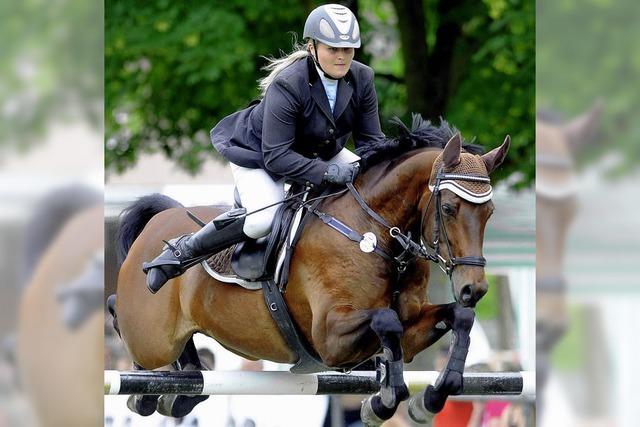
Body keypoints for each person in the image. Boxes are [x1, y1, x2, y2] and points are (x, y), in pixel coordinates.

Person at [143, 4, 385, 293]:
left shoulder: (363, 77)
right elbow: (277, 156)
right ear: (312, 47)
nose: (342, 56)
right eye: (333, 48)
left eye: (348, 49)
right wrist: (328, 172)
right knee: (262, 221)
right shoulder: (289, 84)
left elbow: (372, 143)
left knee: (374, 186)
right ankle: (182, 251)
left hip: (318, 150)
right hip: (260, 155)